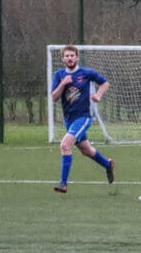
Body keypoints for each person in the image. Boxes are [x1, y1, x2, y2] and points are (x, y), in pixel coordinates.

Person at [48, 45, 115, 193]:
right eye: (67, 56)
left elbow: (105, 83)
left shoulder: (86, 73)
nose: (70, 58)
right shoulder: (59, 75)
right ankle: (107, 164)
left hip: (83, 117)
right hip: (69, 120)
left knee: (65, 145)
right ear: (62, 59)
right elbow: (53, 97)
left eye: (72, 55)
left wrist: (98, 95)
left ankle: (63, 184)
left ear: (77, 57)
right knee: (86, 150)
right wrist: (63, 84)